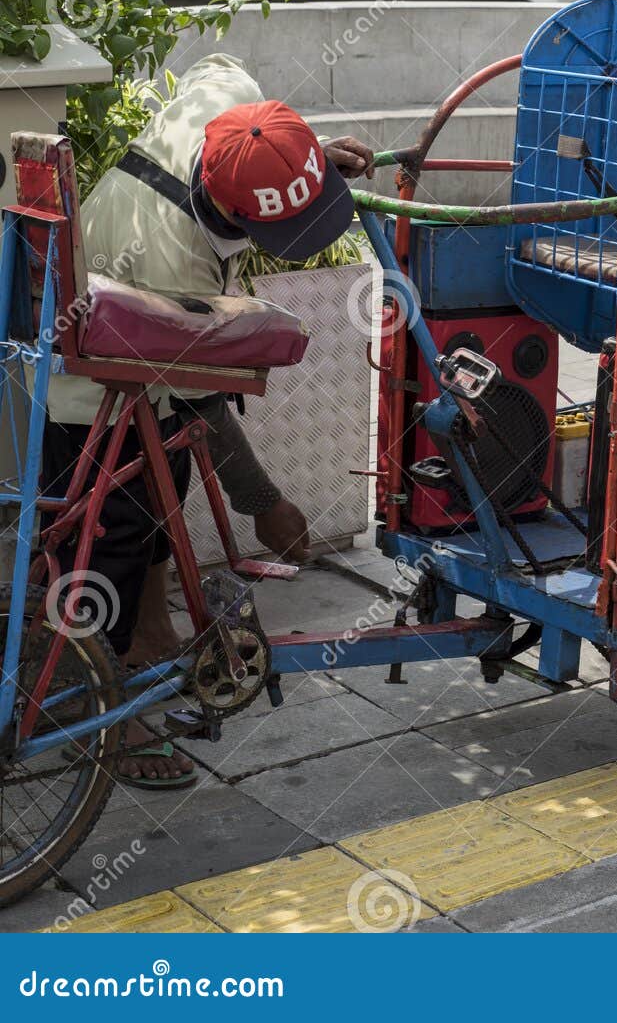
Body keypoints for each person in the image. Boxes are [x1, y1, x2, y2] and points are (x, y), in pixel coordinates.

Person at [44, 54, 375, 788]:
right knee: (114, 539)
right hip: (93, 383)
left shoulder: (229, 99)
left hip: (142, 348)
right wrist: (263, 502)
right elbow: (202, 400)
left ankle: (151, 639)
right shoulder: (175, 262)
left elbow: (219, 73)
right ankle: (101, 718)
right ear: (232, 213)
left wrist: (298, 160)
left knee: (165, 493)